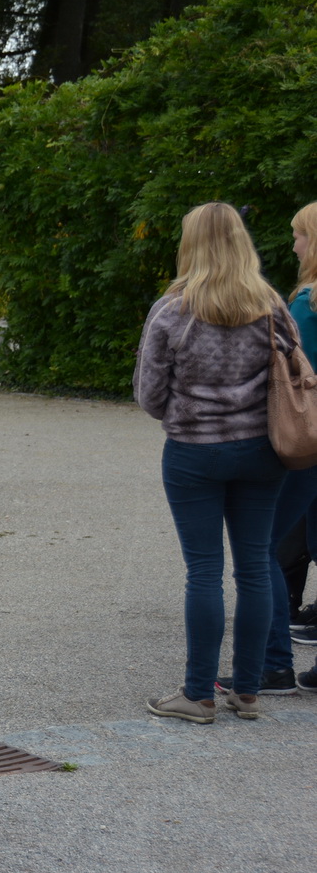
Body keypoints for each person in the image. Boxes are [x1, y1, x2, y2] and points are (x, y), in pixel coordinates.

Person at [135, 201, 291, 724]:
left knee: (204, 570)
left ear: (190, 245)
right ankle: (247, 691)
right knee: (254, 568)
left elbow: (149, 395)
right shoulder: (270, 304)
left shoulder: (171, 309)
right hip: (262, 451)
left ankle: (198, 694)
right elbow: (295, 369)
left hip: (193, 453)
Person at [254, 201, 317, 697]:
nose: (293, 244)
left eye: (298, 235)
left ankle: (272, 663)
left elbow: (296, 377)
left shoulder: (307, 302)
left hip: (308, 439)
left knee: (264, 547)